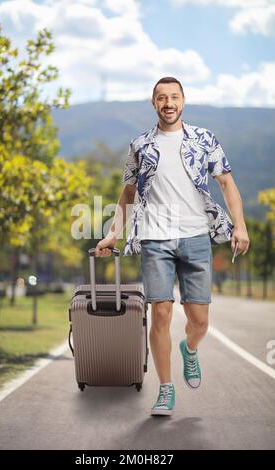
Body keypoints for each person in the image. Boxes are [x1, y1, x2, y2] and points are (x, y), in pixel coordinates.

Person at [95, 76, 250, 416]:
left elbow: (227, 183)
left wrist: (240, 225)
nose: (168, 103)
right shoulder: (140, 144)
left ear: (183, 101)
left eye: (174, 97)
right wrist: (113, 233)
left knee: (200, 321)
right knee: (160, 313)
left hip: (196, 237)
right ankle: (165, 389)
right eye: (162, 98)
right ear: (154, 104)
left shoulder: (205, 140)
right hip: (155, 239)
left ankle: (189, 350)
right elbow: (128, 194)